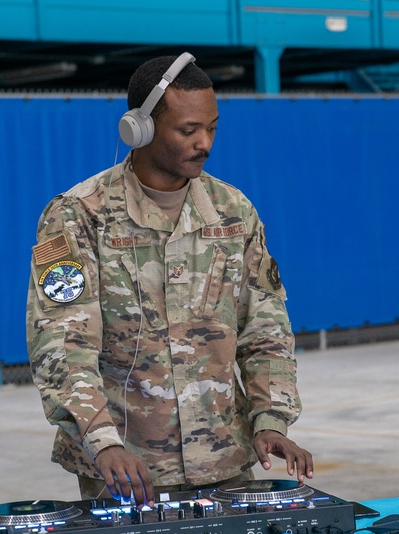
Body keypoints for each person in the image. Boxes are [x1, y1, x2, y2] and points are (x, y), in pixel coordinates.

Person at [26, 53, 312, 507]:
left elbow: (266, 330)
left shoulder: (233, 212)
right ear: (139, 128)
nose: (205, 143)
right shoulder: (80, 215)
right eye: (188, 130)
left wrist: (270, 420)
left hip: (225, 461)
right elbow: (62, 343)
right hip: (126, 469)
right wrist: (103, 441)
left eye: (212, 128)